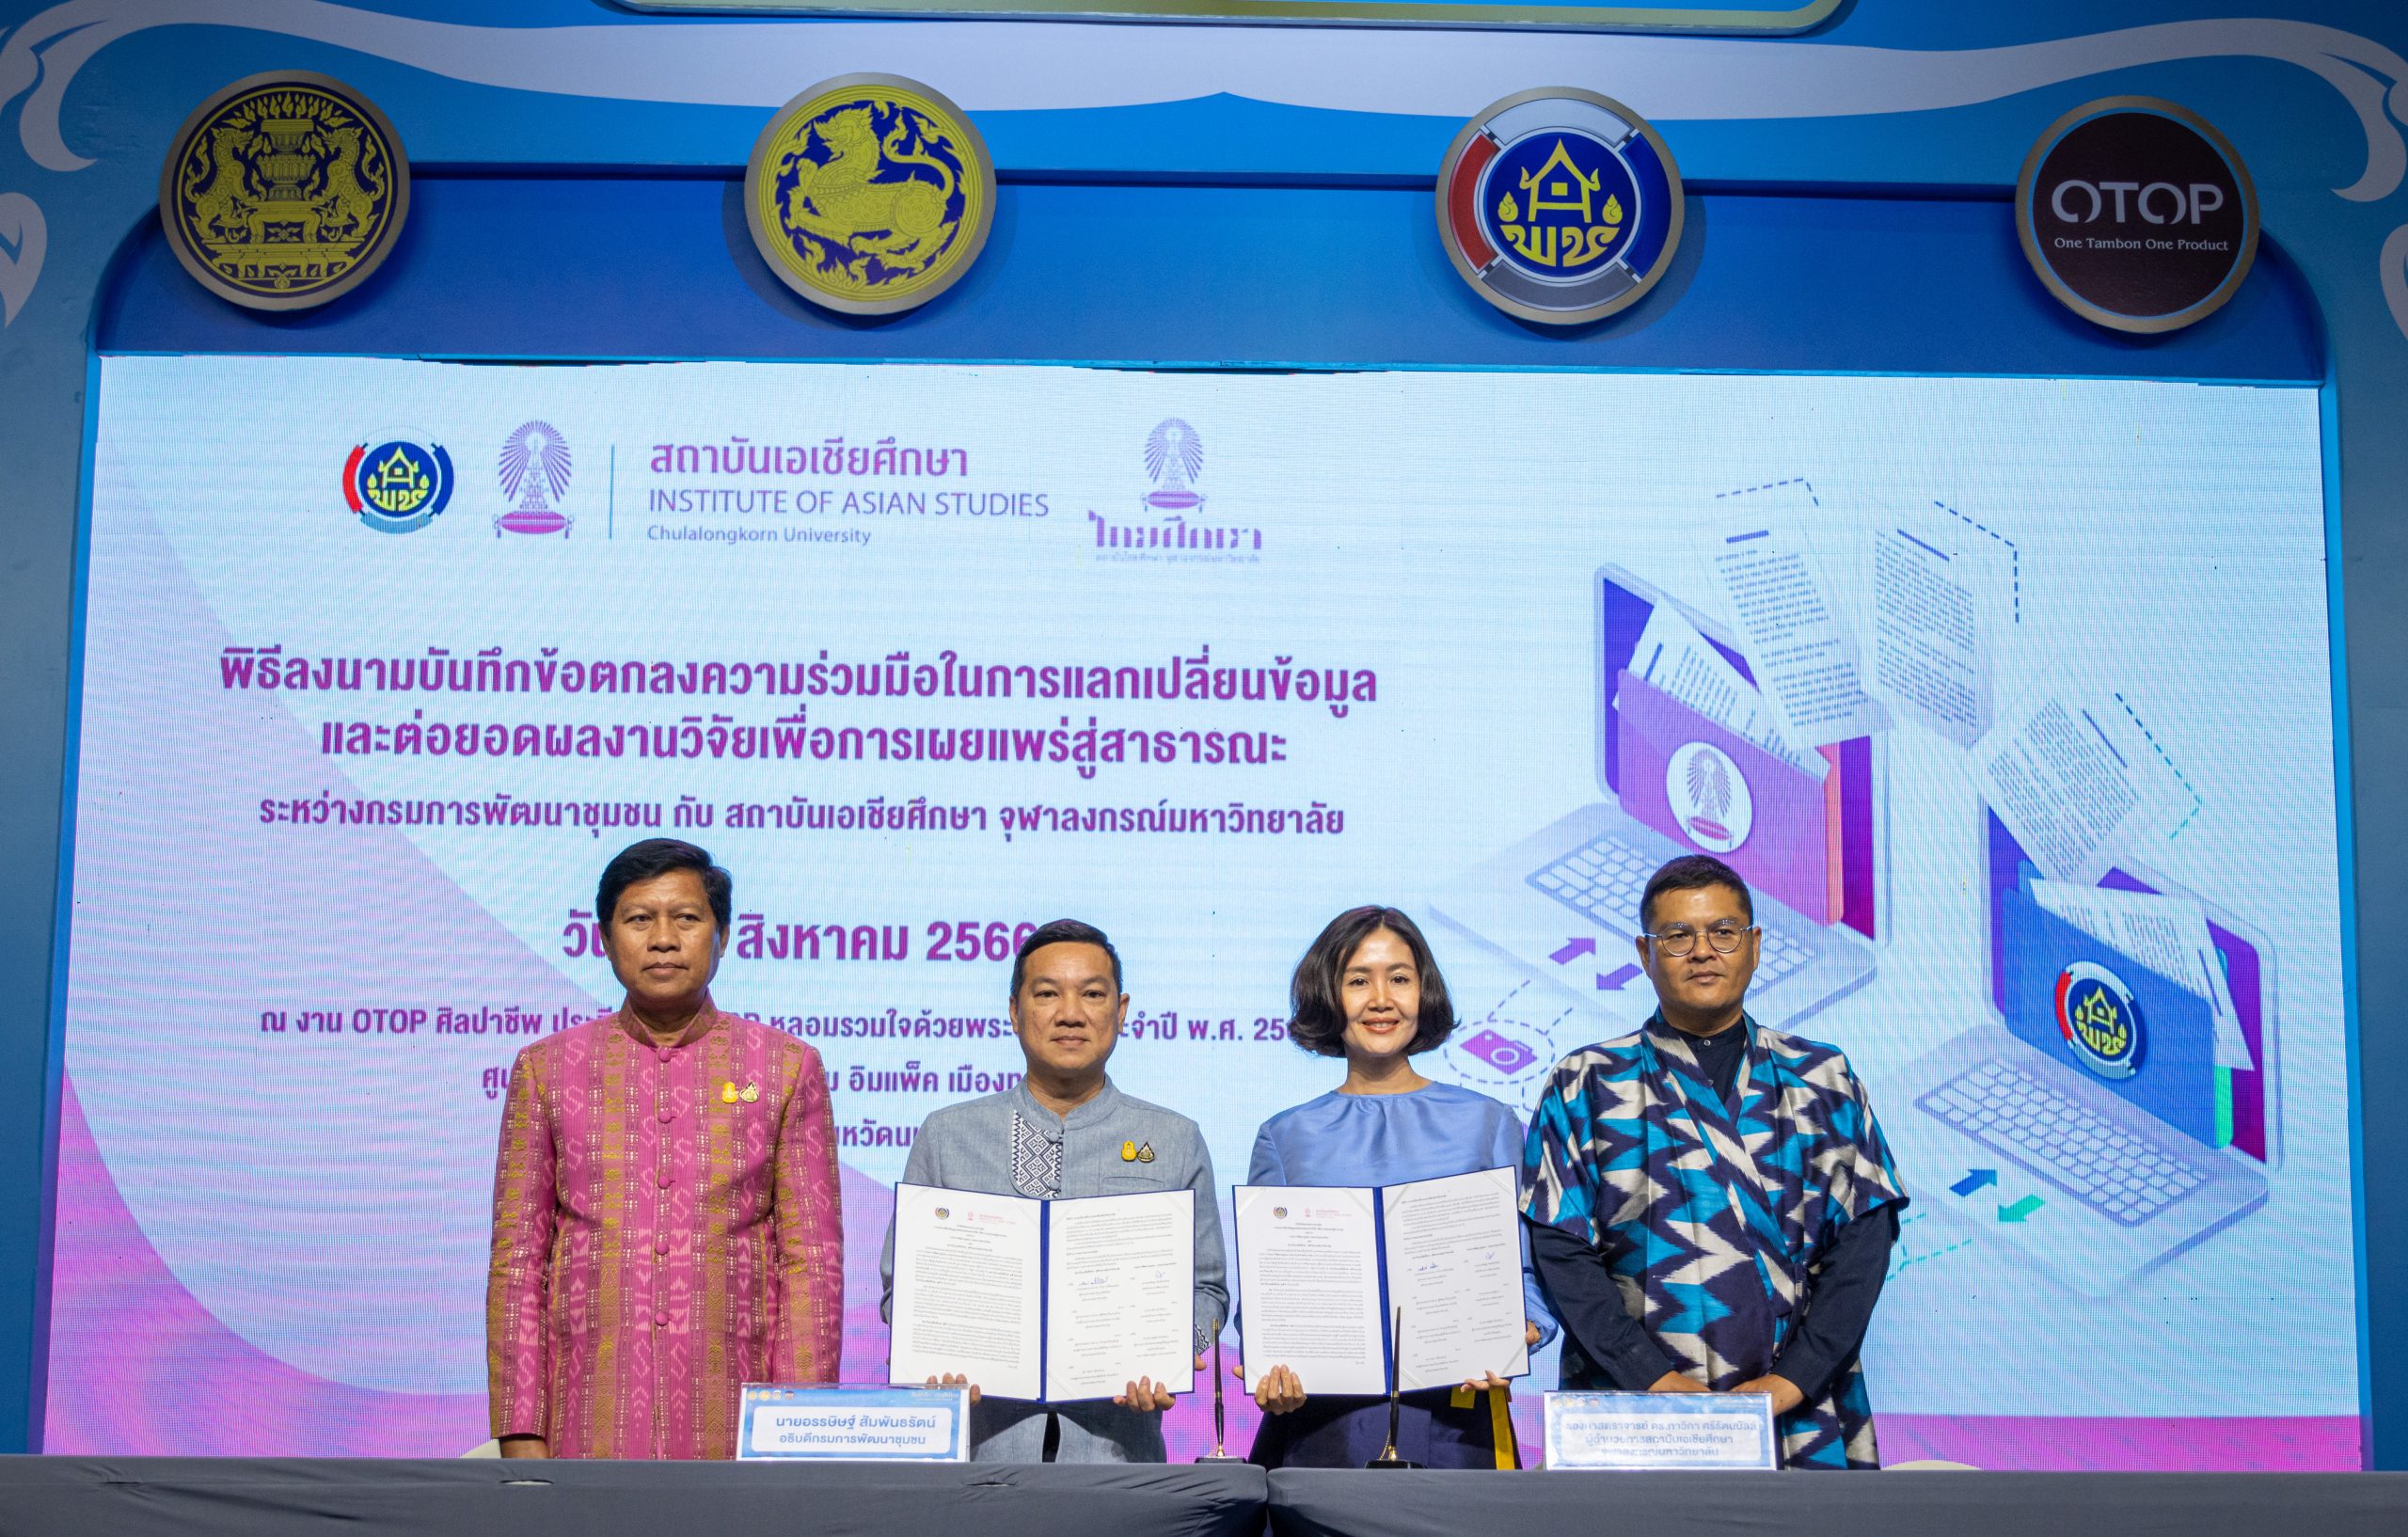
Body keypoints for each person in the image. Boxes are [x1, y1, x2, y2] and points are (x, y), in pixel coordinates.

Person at [1521, 854, 1906, 1469]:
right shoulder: (1585, 1081)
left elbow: (1864, 1246)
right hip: (1631, 1411)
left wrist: (1792, 1381)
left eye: (1723, 932)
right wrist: (1652, 1380)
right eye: (1678, 936)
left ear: (1754, 946)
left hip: (1798, 1406)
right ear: (1645, 954)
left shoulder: (1822, 1078)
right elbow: (1560, 1251)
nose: (1702, 951)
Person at [486, 839, 843, 1459]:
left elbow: (809, 1263)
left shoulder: (785, 1067)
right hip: (587, 1421)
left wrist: (797, 1431)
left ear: (722, 936)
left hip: (735, 1423)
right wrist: (521, 1432)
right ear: (604, 938)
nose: (663, 940)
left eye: (686, 918)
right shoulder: (547, 1070)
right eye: (638, 919)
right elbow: (518, 1263)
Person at [881, 919, 1228, 1462]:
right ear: (1015, 1011)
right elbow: (902, 1290)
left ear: (1121, 1010)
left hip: (1119, 1457)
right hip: (981, 1456)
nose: (1070, 1013)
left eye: (1092, 994)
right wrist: (932, 1354)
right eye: (1047, 994)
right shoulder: (948, 1135)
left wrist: (1172, 1355)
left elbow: (1208, 1292)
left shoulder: (1174, 1139)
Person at [1241, 906, 1557, 1469]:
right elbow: (1268, 1291)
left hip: (1461, 1411)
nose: (1381, 1000)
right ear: (1328, 995)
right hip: (1327, 1419)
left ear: (1423, 991)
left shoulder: (1487, 1121)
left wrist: (1522, 1327)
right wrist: (1271, 1361)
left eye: (1400, 979)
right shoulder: (1285, 1136)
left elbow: (1525, 1266)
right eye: (1358, 981)